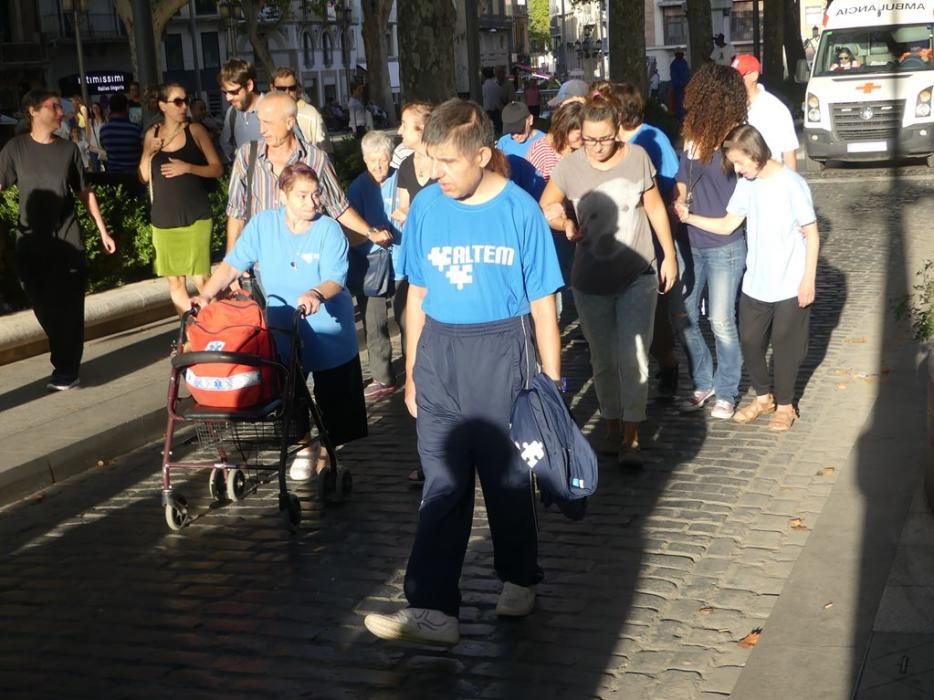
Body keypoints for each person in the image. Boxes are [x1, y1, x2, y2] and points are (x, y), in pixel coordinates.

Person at [364, 98, 563, 646]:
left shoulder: (521, 210)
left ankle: (520, 575)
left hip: (503, 352)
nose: (435, 173)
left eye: (448, 163)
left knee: (505, 482)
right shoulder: (426, 207)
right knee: (443, 484)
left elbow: (544, 304)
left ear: (482, 154)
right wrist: (410, 370)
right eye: (430, 160)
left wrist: (550, 387)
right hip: (441, 356)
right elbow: (418, 293)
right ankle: (433, 609)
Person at [191, 163, 367, 479]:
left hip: (327, 331)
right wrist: (205, 296)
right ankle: (305, 444)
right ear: (282, 195)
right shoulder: (263, 225)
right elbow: (231, 265)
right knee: (288, 394)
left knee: (336, 405)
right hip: (282, 330)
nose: (312, 202)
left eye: (317, 194)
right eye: (302, 195)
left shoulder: (328, 230)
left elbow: (335, 279)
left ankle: (328, 451)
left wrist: (316, 292)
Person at [539, 93, 678, 466]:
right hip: (589, 279)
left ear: (618, 132)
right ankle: (612, 423)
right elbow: (546, 206)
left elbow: (654, 207)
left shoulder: (636, 159)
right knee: (602, 359)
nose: (596, 147)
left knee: (633, 357)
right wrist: (564, 221)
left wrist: (669, 255)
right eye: (588, 139)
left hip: (638, 274)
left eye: (604, 139)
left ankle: (632, 435)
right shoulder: (570, 166)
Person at [675, 125, 819, 432]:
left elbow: (811, 232)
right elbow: (728, 224)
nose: (736, 169)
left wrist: (808, 278)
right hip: (756, 280)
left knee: (785, 345)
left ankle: (785, 405)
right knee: (751, 342)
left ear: (755, 155)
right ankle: (764, 396)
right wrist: (688, 218)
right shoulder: (747, 184)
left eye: (740, 162)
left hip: (790, 281)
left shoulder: (791, 184)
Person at [0, 89, 116, 391]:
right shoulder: (15, 149)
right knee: (42, 304)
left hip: (68, 238)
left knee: (69, 305)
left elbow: (84, 191)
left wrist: (102, 230)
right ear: (33, 111)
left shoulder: (68, 150)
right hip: (31, 241)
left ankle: (67, 368)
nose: (61, 111)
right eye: (54, 106)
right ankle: (63, 358)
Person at [594, 80, 682, 400]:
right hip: (609, 246)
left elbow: (666, 190)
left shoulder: (651, 140)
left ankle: (667, 363)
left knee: (653, 313)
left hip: (645, 241)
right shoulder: (602, 143)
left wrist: (668, 252)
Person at [674, 63, 749, 419]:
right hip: (690, 240)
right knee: (684, 315)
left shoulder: (739, 137)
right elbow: (684, 176)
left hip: (725, 242)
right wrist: (680, 197)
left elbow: (749, 189)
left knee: (721, 319)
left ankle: (728, 389)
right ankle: (704, 380)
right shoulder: (693, 134)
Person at [225, 92, 390, 253]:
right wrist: (231, 263)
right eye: (260, 122)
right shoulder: (247, 155)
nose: (262, 130)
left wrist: (370, 232)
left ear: (289, 123)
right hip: (262, 261)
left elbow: (338, 206)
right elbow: (236, 212)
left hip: (307, 259)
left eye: (268, 123)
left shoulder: (315, 159)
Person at [139, 83, 224, 315]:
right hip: (164, 219)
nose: (184, 106)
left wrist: (188, 167)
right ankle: (189, 335)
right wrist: (149, 152)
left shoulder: (195, 131)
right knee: (175, 282)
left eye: (186, 100)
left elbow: (216, 169)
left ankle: (214, 331)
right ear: (162, 105)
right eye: (177, 102)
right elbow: (144, 177)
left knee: (202, 280)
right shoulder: (151, 135)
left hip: (196, 216)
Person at [347, 131, 406, 401]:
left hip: (402, 261)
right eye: (372, 162)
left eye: (382, 161)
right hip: (370, 264)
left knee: (408, 319)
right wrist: (371, 235)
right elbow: (348, 230)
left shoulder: (402, 177)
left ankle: (414, 368)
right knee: (374, 323)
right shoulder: (358, 188)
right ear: (364, 160)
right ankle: (382, 375)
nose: (379, 167)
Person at [732, 54, 799, 171]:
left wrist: (790, 185)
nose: (734, 82)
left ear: (754, 75)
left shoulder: (775, 108)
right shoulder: (731, 106)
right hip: (738, 180)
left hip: (767, 178)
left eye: (739, 77)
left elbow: (789, 153)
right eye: (732, 78)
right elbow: (727, 144)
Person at [390, 101, 435, 229]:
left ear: (422, 129)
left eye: (404, 125)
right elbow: (404, 208)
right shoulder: (405, 165)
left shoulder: (447, 162)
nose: (399, 131)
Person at [271, 66, 333, 153]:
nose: (287, 92)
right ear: (272, 88)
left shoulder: (311, 114)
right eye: (281, 89)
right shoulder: (265, 114)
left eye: (292, 88)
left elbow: (325, 151)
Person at [497, 101, 546, 197]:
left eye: (519, 130)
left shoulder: (544, 142)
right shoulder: (504, 142)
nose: (515, 136)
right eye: (511, 132)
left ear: (530, 120)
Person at [218, 58, 262, 163]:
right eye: (225, 93)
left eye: (233, 92)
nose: (228, 98)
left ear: (249, 85)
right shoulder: (232, 113)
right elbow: (225, 145)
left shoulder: (275, 108)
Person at [99, 92, 142, 174]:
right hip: (133, 176)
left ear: (110, 108)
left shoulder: (104, 130)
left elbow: (104, 148)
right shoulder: (135, 129)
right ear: (126, 107)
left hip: (114, 177)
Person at [481, 67, 503, 133]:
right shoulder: (497, 86)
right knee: (497, 130)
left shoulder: (483, 87)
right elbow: (501, 97)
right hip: (497, 111)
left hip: (487, 111)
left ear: (484, 76)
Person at [670, 51, 691, 120]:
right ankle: (680, 117)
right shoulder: (674, 64)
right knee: (679, 102)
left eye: (682, 54)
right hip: (678, 87)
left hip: (686, 86)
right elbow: (674, 76)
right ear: (676, 55)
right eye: (680, 54)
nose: (682, 55)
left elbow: (687, 73)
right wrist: (682, 83)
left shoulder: (684, 62)